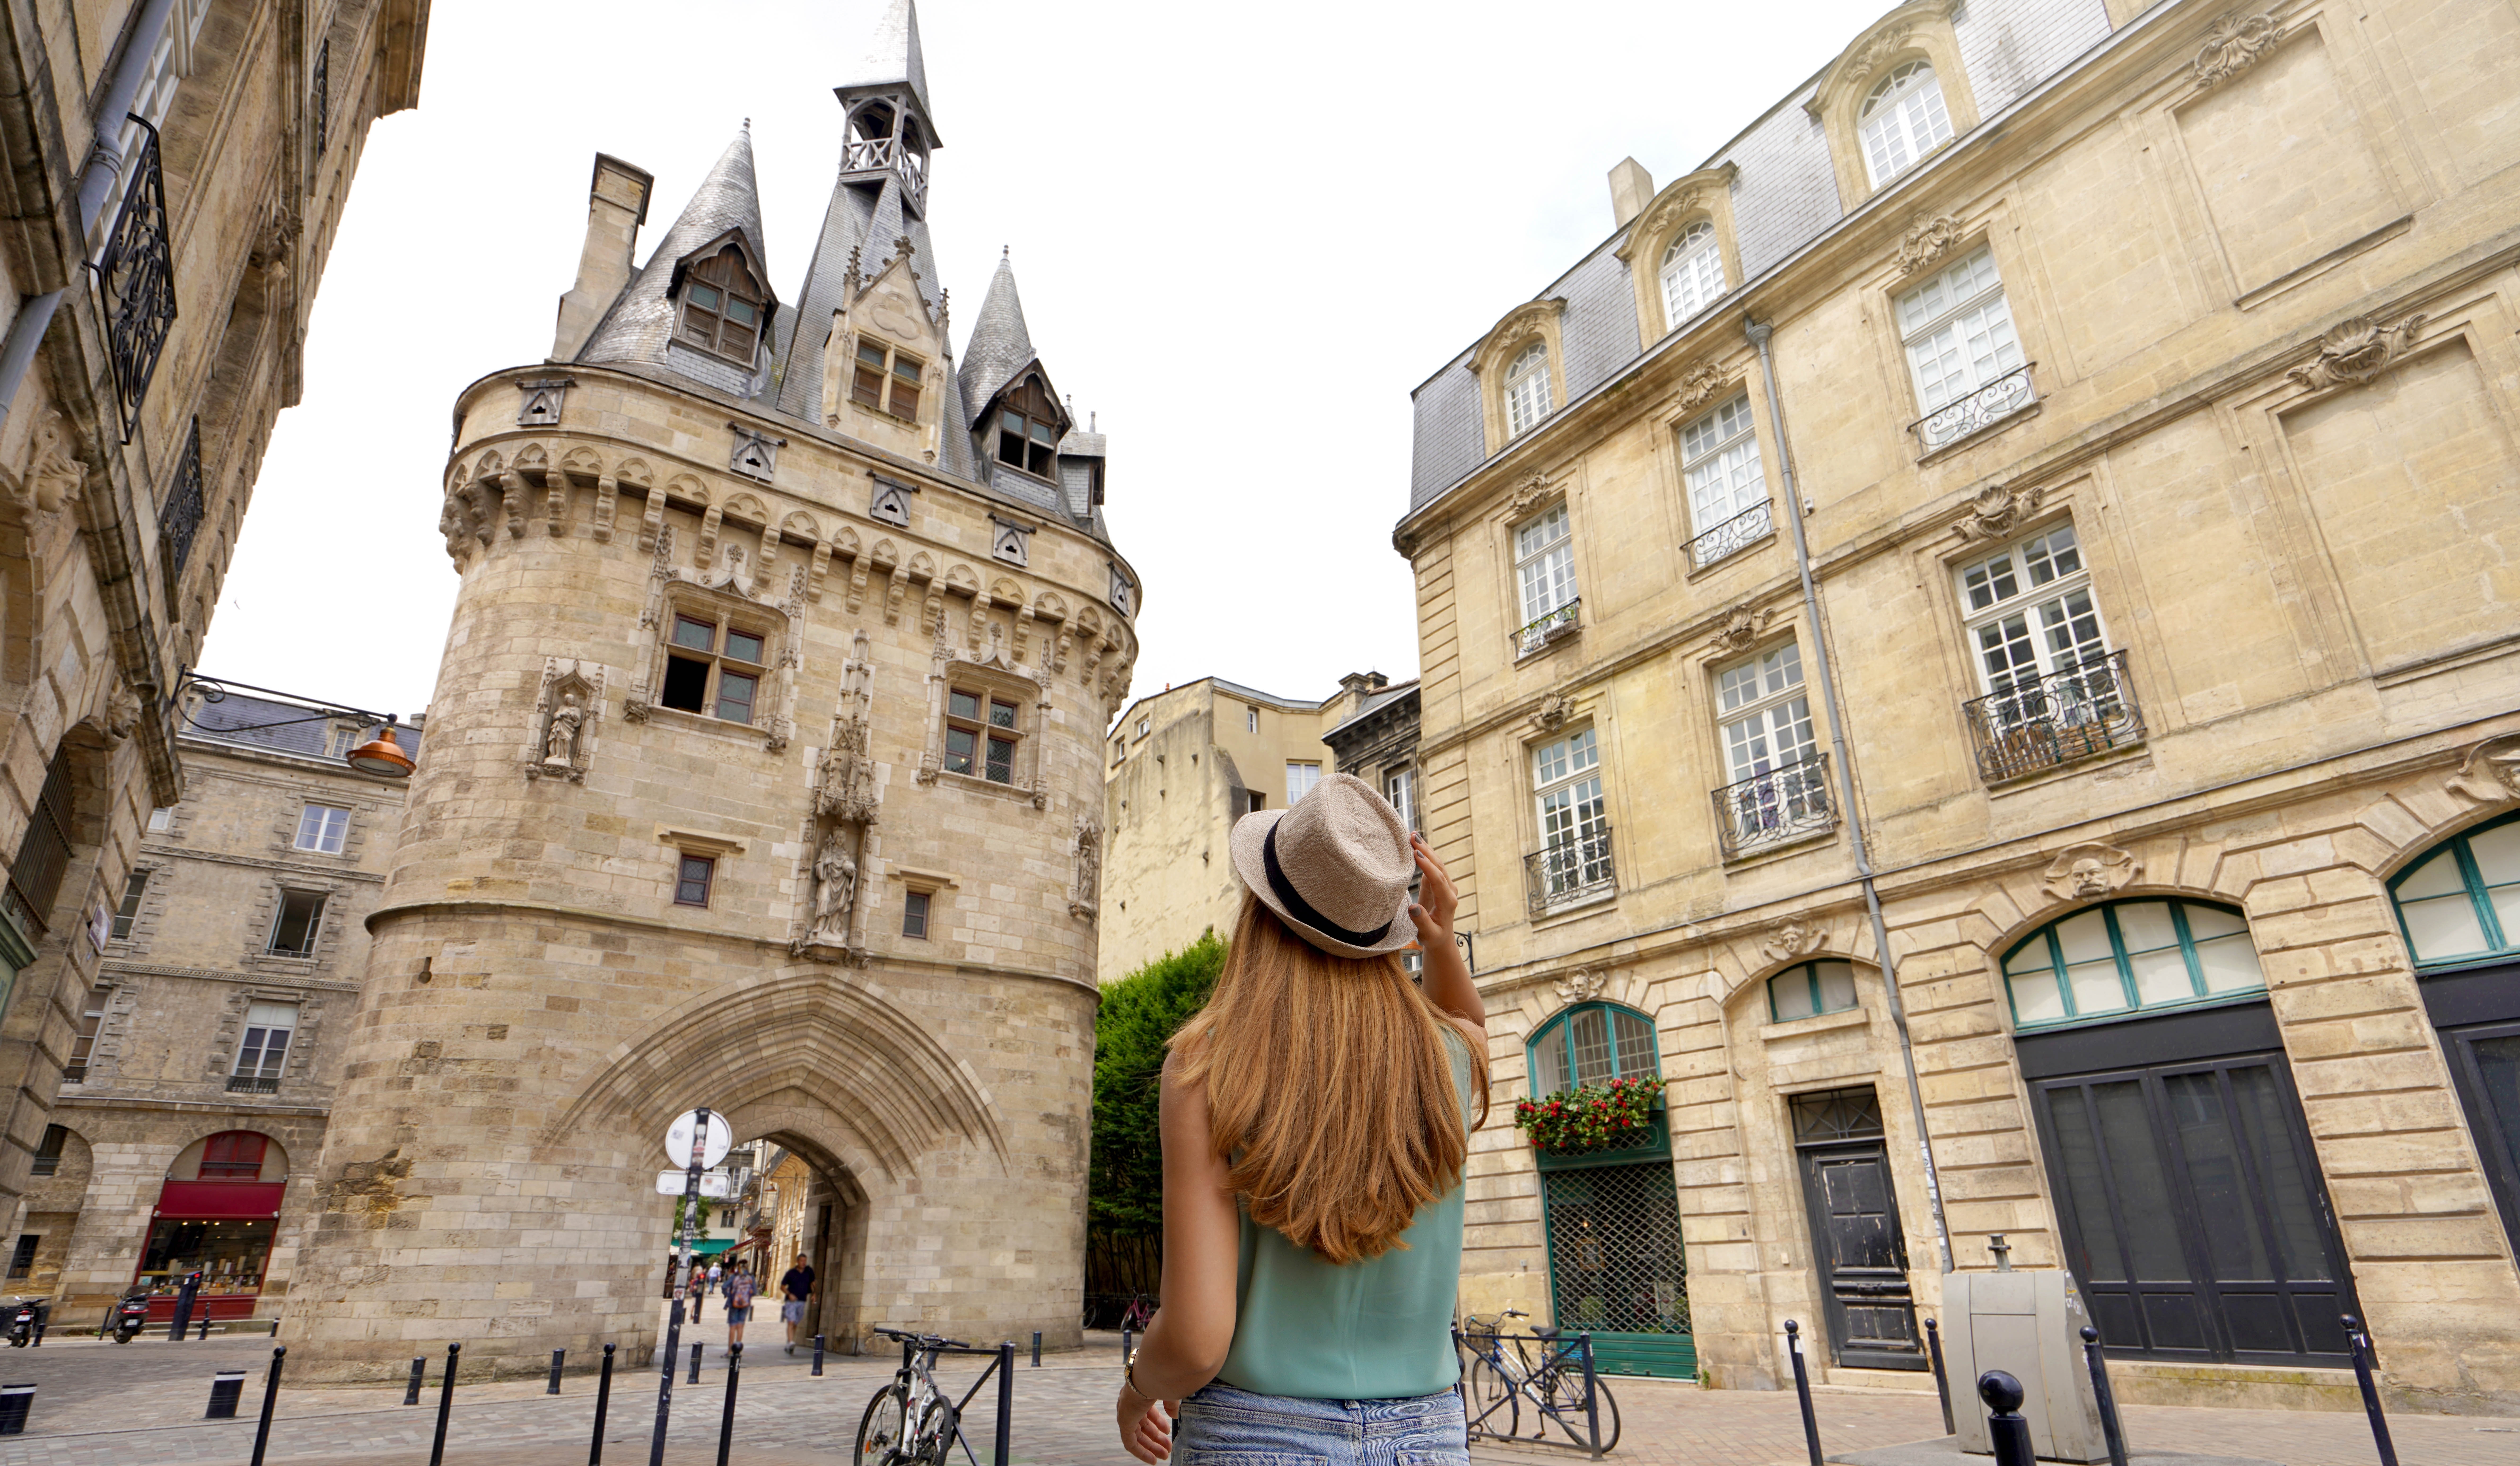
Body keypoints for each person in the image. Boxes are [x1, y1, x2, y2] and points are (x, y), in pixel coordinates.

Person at [1113, 774, 1486, 1466]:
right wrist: (1439, 943)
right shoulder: (1454, 1061)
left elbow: (1196, 1341)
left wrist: (1137, 1389)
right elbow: (1465, 1018)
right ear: (1384, 931)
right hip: (1428, 1436)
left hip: (1257, 1431)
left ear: (1260, 910)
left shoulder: (1205, 1066)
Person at [780, 1253, 816, 1355]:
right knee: (791, 1322)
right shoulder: (791, 1273)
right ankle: (791, 1342)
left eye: (805, 1261)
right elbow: (782, 1287)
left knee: (795, 1323)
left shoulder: (809, 1272)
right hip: (791, 1302)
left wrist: (815, 1294)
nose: (804, 1263)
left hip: (802, 1301)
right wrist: (789, 1294)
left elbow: (813, 1284)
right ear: (798, 1262)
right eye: (802, 1261)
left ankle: (789, 1342)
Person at [724, 1263, 756, 1348]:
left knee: (733, 1326)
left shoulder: (735, 1276)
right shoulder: (751, 1277)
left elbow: (724, 1286)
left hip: (734, 1303)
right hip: (746, 1304)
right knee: (741, 1325)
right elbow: (755, 1291)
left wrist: (729, 1295)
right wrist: (746, 1297)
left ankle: (730, 1351)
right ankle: (738, 1349)